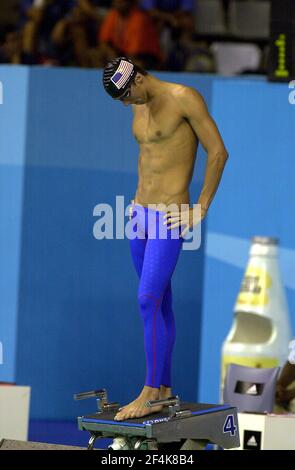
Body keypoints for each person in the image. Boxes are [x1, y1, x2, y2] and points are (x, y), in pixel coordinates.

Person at [102, 57, 228, 421]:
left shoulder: (183, 97)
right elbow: (150, 159)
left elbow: (218, 152)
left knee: (147, 300)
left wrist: (199, 208)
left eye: (127, 95)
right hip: (140, 216)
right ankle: (166, 390)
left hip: (168, 218)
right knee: (161, 304)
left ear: (138, 78)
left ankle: (149, 390)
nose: (127, 104)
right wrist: (136, 202)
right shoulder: (136, 105)